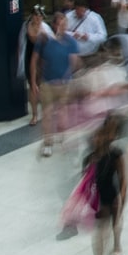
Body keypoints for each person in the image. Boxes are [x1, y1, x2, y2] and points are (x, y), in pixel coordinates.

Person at [31, 11, 81, 157]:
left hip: (65, 84)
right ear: (54, 25)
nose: (63, 27)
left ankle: (63, 137)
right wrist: (34, 82)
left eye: (65, 24)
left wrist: (70, 78)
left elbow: (74, 63)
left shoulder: (71, 42)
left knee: (63, 114)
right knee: (47, 114)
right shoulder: (44, 40)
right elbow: (34, 60)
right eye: (61, 24)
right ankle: (47, 143)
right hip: (47, 83)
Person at [88, 114, 127, 255]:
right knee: (99, 232)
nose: (97, 139)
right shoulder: (90, 158)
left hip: (112, 194)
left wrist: (122, 197)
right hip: (98, 198)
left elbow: (123, 178)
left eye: (100, 136)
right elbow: (86, 182)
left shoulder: (115, 154)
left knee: (115, 224)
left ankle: (117, 242)